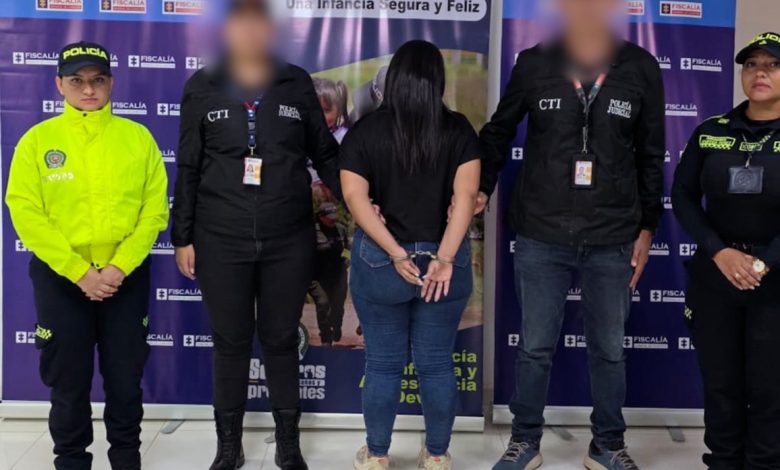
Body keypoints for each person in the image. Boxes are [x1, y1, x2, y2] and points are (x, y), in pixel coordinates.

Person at [480, 0, 665, 469]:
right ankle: (524, 441)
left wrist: (647, 227)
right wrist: (480, 187)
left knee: (609, 350)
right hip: (542, 233)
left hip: (613, 234)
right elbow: (499, 131)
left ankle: (607, 445)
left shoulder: (640, 67)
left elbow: (651, 153)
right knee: (535, 347)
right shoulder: (534, 63)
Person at [171, 1, 340, 469]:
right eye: (240, 23)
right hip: (219, 237)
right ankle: (229, 446)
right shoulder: (201, 86)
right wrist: (182, 237)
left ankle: (289, 443)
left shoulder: (296, 83)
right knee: (230, 342)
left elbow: (325, 154)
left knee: (282, 339)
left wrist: (362, 202)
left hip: (288, 238)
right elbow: (188, 166)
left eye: (258, 23)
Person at [5, 41, 169, 470]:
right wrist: (79, 272)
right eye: (77, 81)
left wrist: (117, 268)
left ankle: (126, 460)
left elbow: (154, 212)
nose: (89, 90)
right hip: (61, 279)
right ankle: (71, 461)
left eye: (97, 80)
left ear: (111, 83)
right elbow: (25, 212)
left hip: (124, 278)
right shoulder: (37, 141)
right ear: (59, 84)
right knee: (68, 383)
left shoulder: (138, 139)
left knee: (125, 380)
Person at [341, 40, 481, 470]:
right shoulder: (459, 130)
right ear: (438, 81)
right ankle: (436, 456)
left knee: (383, 365)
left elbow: (355, 197)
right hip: (444, 262)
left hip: (382, 263)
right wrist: (444, 258)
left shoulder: (366, 130)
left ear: (394, 80)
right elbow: (467, 197)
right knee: (436, 365)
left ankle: (376, 456)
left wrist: (396, 253)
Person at [672, 32, 780, 470]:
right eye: (752, 64)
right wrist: (720, 252)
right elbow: (682, 197)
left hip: (775, 280)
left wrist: (765, 261)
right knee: (721, 384)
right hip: (716, 275)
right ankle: (723, 462)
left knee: (770, 387)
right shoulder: (711, 132)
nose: (760, 73)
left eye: (773, 65)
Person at [309, 77, 351, 345]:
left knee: (337, 292)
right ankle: (324, 333)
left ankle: (335, 327)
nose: (320, 117)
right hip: (307, 224)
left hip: (336, 217)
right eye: (314, 110)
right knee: (321, 294)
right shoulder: (299, 134)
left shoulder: (344, 138)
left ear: (339, 110)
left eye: (326, 110)